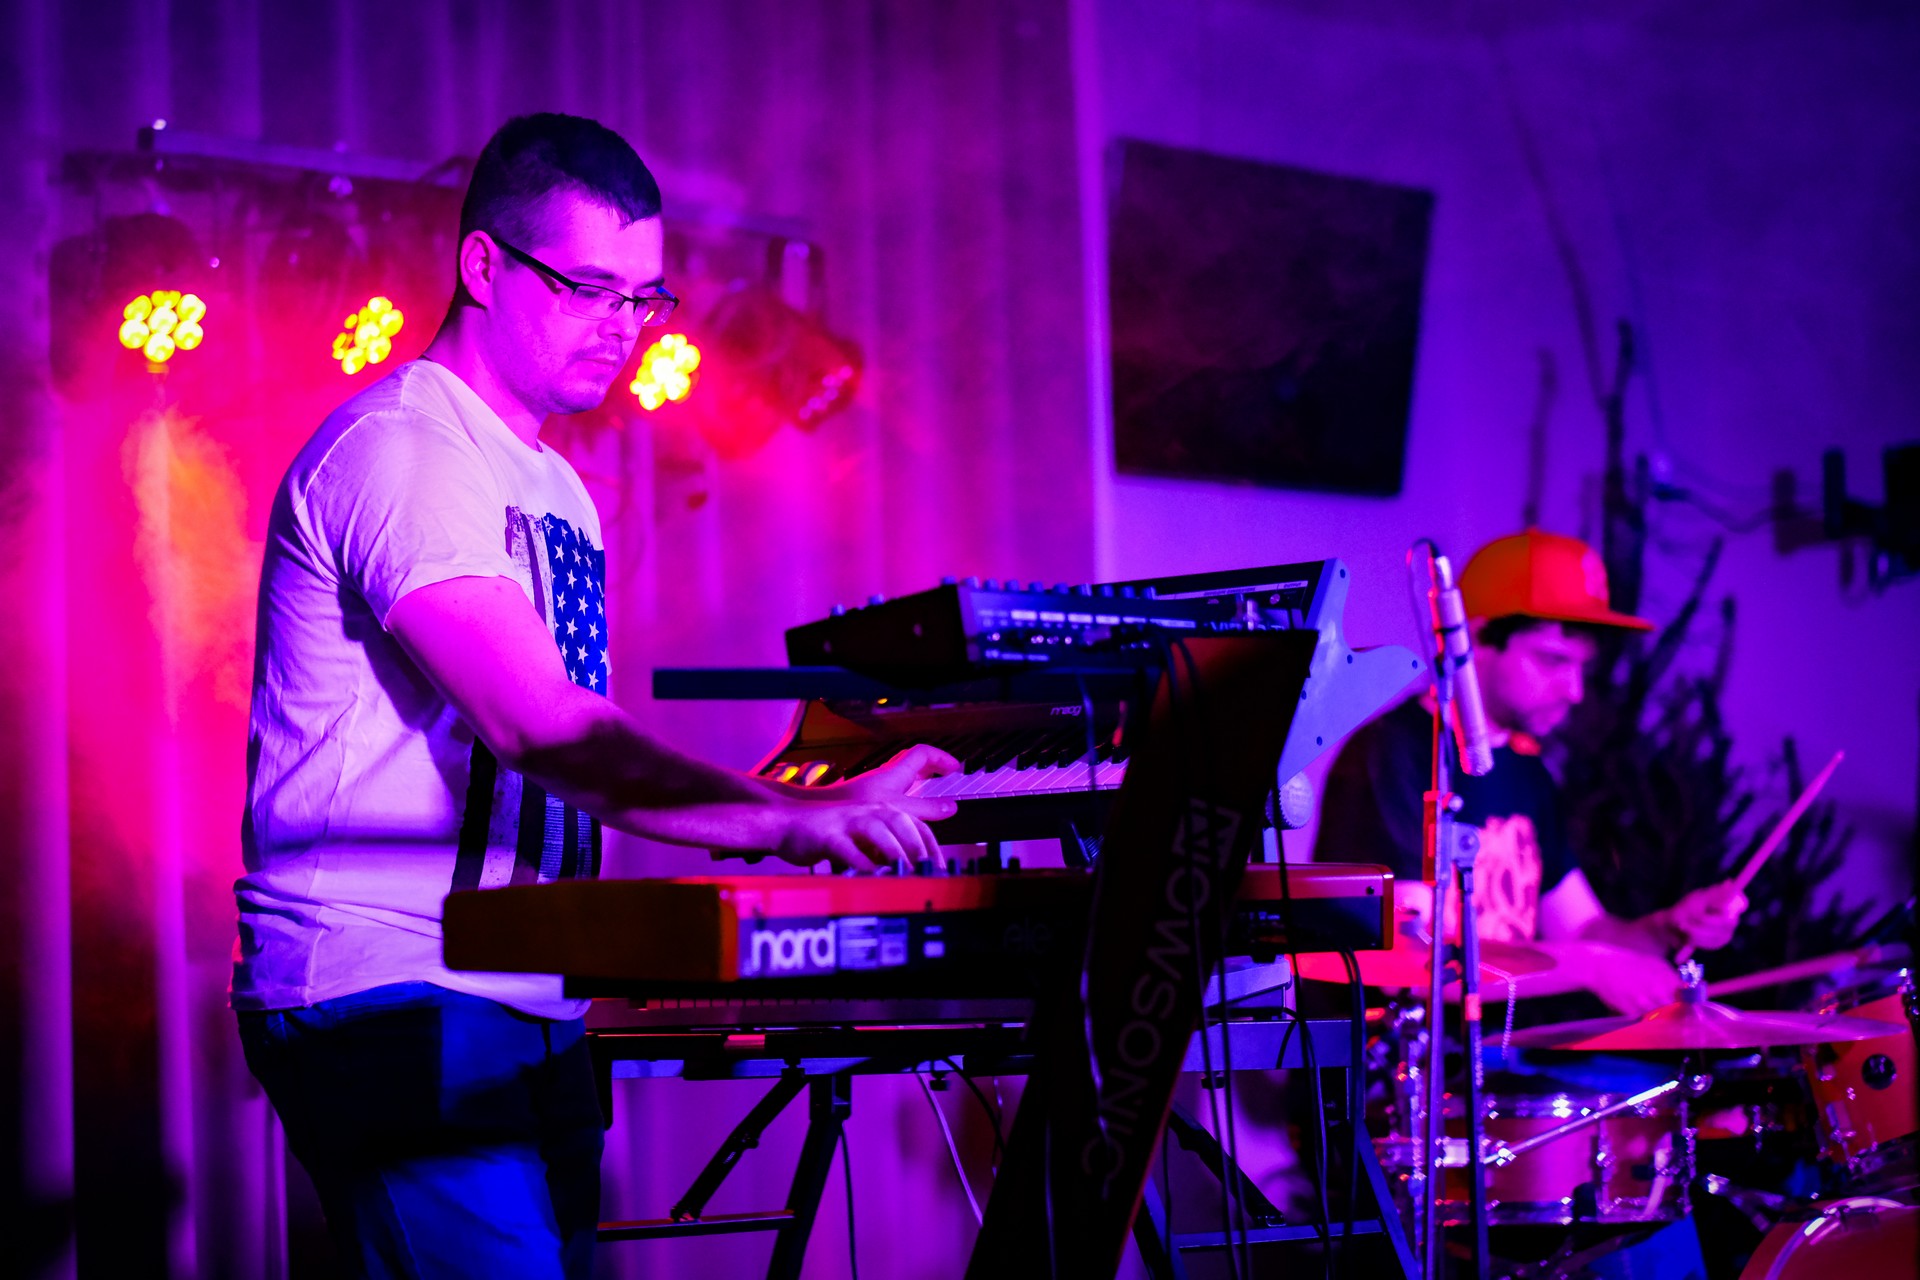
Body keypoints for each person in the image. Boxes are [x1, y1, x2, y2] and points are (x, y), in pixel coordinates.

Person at [232, 113, 957, 1279]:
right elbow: (540, 726)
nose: (622, 327)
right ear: (483, 265)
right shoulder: (404, 449)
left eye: (644, 297)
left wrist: (814, 796)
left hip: (525, 988)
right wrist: (788, 818)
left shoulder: (558, 484)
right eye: (587, 289)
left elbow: (564, 745)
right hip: (392, 985)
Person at [1313, 528, 1748, 1016]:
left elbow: (1584, 931)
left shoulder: (1528, 770)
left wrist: (1669, 928)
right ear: (1474, 640)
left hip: (1496, 1056)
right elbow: (1415, 965)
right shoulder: (1394, 753)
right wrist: (1590, 966)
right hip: (1400, 1060)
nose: (1574, 691)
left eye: (1581, 668)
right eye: (1552, 661)